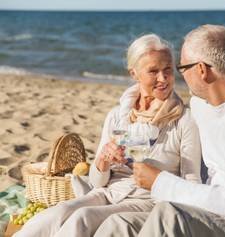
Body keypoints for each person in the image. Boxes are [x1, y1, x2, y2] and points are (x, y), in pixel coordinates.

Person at [95, 25, 225, 237]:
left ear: (201, 70)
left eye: (181, 68)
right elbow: (156, 125)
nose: (177, 76)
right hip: (215, 212)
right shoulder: (200, 106)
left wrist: (159, 181)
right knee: (119, 223)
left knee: (169, 215)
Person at [14, 34, 202, 237]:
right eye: (153, 71)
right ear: (134, 74)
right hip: (108, 192)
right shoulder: (118, 116)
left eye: (167, 71)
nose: (163, 79)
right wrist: (103, 160)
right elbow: (97, 182)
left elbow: (191, 182)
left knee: (82, 218)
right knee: (56, 213)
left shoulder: (184, 120)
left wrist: (157, 179)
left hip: (148, 200)